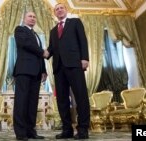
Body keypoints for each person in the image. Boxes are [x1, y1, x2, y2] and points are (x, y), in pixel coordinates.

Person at [46, 3, 90, 140]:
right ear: (54, 13)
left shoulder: (75, 22)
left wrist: (84, 58)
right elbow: (51, 49)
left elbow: (83, 40)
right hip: (59, 68)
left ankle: (83, 130)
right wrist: (38, 51)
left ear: (66, 10)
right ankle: (67, 130)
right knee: (62, 100)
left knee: (80, 97)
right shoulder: (53, 30)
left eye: (61, 8)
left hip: (74, 65)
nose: (59, 10)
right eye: (56, 9)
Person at [13, 11, 48, 141]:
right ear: (24, 18)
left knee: (32, 103)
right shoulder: (20, 30)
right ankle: (21, 133)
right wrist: (43, 52)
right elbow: (25, 45)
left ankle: (30, 131)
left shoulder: (37, 35)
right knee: (21, 103)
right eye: (30, 16)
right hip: (24, 71)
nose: (33, 18)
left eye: (34, 17)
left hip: (36, 72)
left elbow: (40, 56)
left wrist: (44, 70)